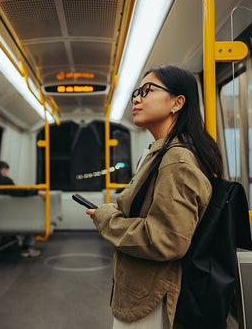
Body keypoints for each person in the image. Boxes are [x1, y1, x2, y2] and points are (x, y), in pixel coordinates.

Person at [85, 65, 222, 329]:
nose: (137, 98)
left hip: (152, 297)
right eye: (137, 92)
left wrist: (107, 219)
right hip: (142, 290)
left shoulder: (176, 160)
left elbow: (167, 240)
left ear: (177, 102)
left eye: (148, 91)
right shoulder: (159, 152)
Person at [0, 160, 46, 258]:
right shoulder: (5, 181)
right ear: (4, 170)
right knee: (29, 219)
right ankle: (27, 248)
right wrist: (37, 192)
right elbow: (18, 192)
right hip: (6, 218)